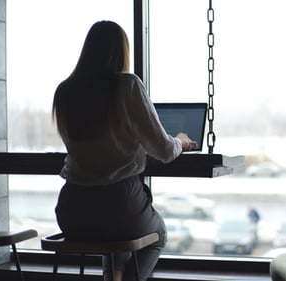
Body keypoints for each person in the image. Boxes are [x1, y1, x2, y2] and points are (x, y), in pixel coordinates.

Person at [52, 20, 197, 281]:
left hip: (72, 210)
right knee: (157, 235)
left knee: (116, 242)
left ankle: (115, 274)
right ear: (121, 52)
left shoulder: (64, 92)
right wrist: (181, 141)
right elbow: (164, 151)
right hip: (120, 204)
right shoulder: (127, 86)